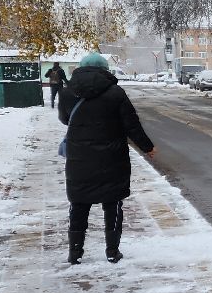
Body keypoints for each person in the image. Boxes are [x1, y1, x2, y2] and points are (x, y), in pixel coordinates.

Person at [58, 53, 156, 264]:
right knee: (112, 204)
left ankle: (75, 252)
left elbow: (65, 119)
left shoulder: (68, 92)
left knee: (79, 204)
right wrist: (147, 147)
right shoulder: (115, 92)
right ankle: (112, 251)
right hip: (112, 158)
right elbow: (132, 125)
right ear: (105, 69)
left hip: (79, 158)